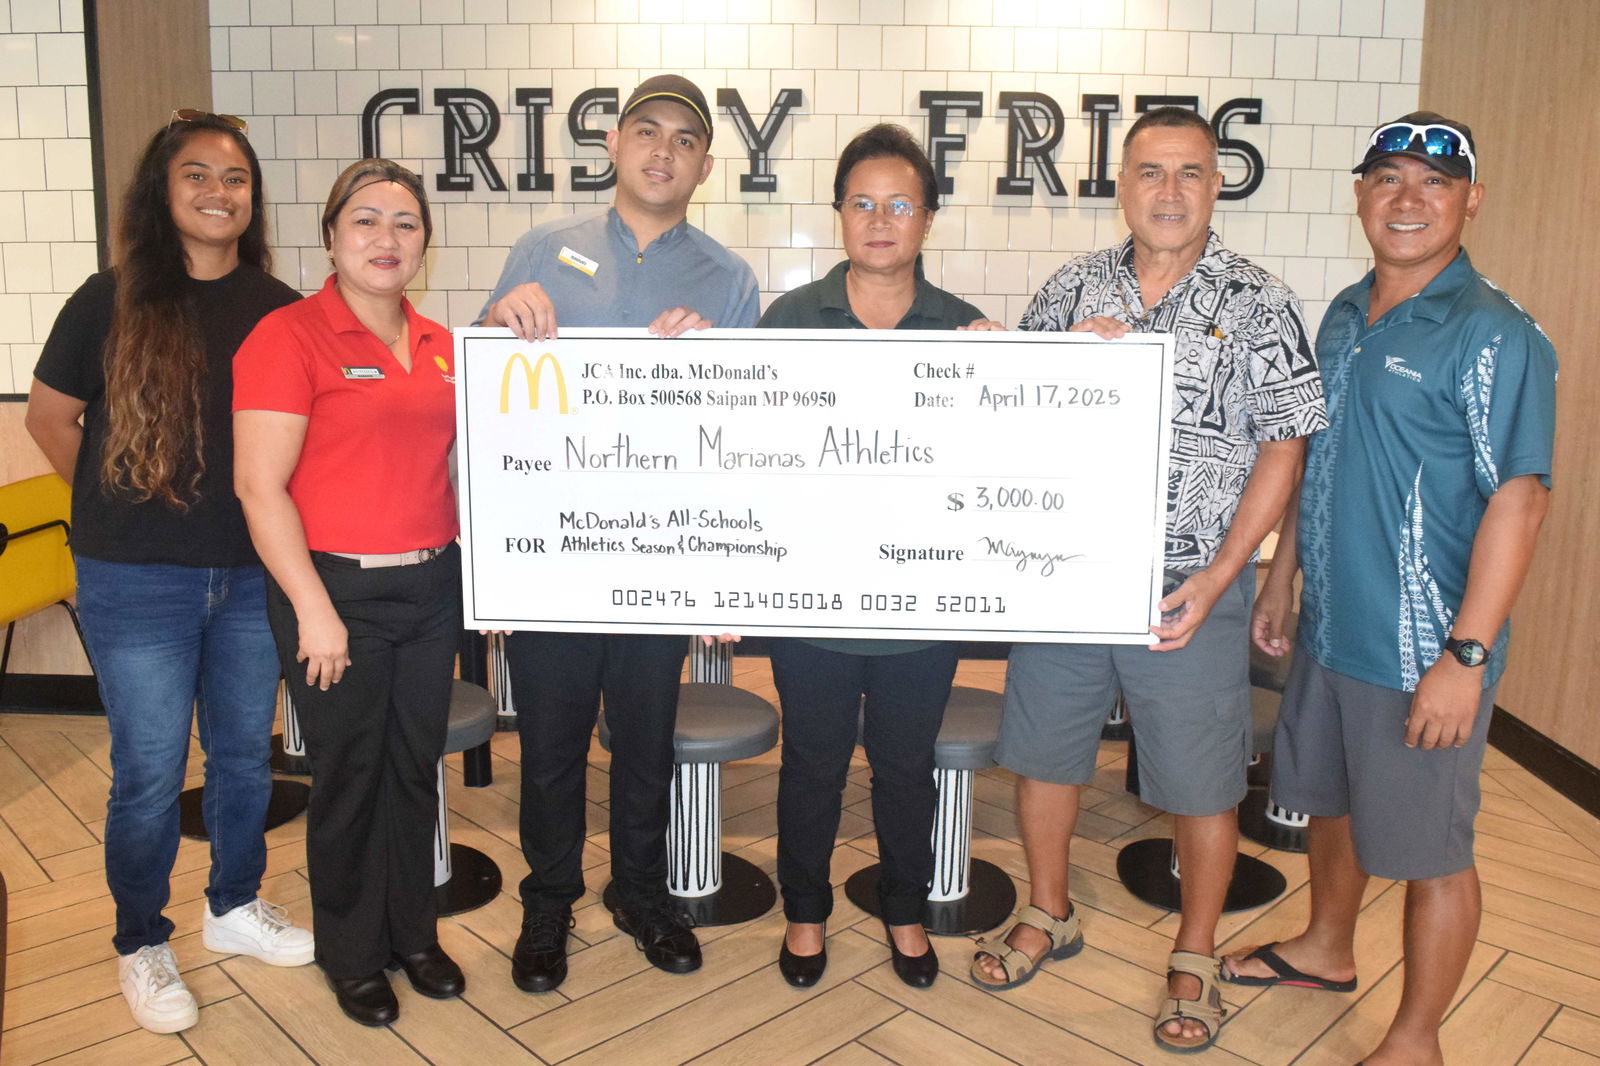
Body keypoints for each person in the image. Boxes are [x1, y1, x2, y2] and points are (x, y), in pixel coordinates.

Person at [970, 106, 1328, 1053]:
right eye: (1150, 173)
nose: (1169, 191)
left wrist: (1221, 578)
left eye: (1190, 173)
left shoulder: (1260, 302)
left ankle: (1197, 955)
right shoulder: (1072, 288)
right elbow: (1018, 422)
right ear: (1121, 185)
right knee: (1043, 753)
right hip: (1068, 574)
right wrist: (1021, 359)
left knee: (1202, 782)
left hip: (1188, 584)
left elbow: (1283, 449)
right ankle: (1051, 912)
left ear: (1217, 185)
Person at [1222, 112, 1556, 1066]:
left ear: (1470, 202)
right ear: (1360, 196)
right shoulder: (1341, 314)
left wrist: (1467, 656)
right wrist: (1282, 576)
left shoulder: (1493, 333)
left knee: (1429, 852)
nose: (1407, 199)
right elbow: (1315, 460)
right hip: (1331, 629)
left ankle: (1416, 1041)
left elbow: (1520, 503)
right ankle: (1327, 949)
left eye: (1434, 183)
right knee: (1331, 803)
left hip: (1423, 651)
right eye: (1388, 179)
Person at [26, 111, 313, 1035]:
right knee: (149, 770)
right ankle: (139, 941)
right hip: (134, 580)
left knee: (240, 756)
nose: (218, 193)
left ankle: (232, 905)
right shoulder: (105, 300)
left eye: (235, 178)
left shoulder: (277, 305)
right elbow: (49, 419)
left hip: (246, 573)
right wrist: (116, 506)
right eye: (197, 175)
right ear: (162, 191)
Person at [476, 75, 759, 993]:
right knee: (550, 742)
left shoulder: (728, 278)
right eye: (647, 131)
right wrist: (495, 322)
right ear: (612, 144)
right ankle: (550, 898)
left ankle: (641, 894)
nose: (663, 151)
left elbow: (745, 436)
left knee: (648, 740)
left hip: (660, 559)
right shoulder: (542, 249)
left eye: (684, 140)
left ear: (704, 165)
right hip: (556, 557)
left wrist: (707, 369)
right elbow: (486, 401)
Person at [756, 123, 1001, 989]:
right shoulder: (787, 321)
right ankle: (807, 913)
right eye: (863, 203)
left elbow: (1000, 464)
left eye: (900, 203)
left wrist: (1017, 374)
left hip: (921, 603)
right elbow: (745, 456)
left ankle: (905, 910)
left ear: (928, 219)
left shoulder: (966, 330)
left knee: (907, 766)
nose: (881, 219)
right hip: (812, 602)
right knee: (812, 765)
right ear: (839, 216)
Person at [233, 159, 463, 1027]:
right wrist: (313, 609)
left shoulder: (442, 345)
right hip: (332, 591)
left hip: (430, 584)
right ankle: (352, 951)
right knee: (349, 777)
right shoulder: (288, 337)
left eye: (405, 223)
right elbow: (261, 488)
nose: (386, 239)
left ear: (423, 246)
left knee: (413, 770)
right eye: (365, 220)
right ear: (330, 236)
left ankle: (413, 935)